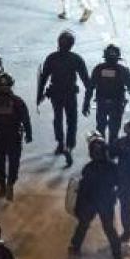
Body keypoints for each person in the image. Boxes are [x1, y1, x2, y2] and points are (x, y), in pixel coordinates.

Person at [38, 29, 91, 167]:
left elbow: (43, 78)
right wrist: (88, 99)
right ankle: (70, 146)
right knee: (72, 121)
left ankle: (60, 143)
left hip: (55, 93)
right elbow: (86, 80)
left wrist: (39, 95)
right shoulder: (76, 59)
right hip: (70, 93)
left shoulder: (51, 58)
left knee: (58, 118)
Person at [69, 135, 123, 259]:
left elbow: (82, 190)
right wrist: (115, 195)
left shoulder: (88, 168)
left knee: (84, 224)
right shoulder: (112, 167)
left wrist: (78, 206)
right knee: (108, 228)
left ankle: (76, 246)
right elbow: (120, 184)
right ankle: (117, 255)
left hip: (91, 202)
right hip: (105, 202)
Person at [0, 73, 32, 200]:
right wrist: (29, 134)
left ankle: (3, 187)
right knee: (14, 162)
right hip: (14, 136)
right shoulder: (17, 101)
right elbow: (25, 119)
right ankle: (10, 184)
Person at [85, 44, 130, 143]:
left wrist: (86, 103)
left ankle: (101, 149)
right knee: (114, 130)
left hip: (102, 103)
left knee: (100, 128)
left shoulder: (98, 69)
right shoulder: (122, 70)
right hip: (117, 104)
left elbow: (90, 87)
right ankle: (112, 150)